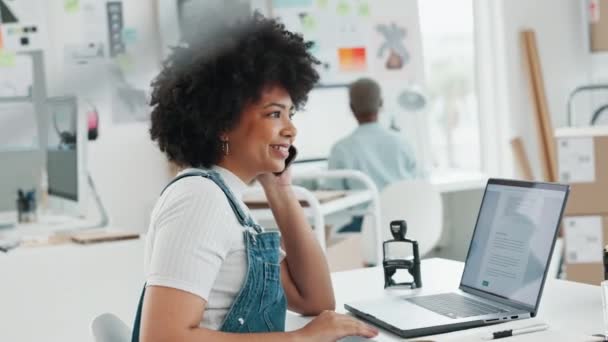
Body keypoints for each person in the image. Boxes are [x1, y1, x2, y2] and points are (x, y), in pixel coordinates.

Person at [132, 12, 379, 342]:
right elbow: (163, 338)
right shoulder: (199, 201)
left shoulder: (227, 201)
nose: (291, 129)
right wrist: (301, 339)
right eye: (275, 114)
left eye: (290, 114)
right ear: (222, 122)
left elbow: (315, 300)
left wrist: (280, 189)